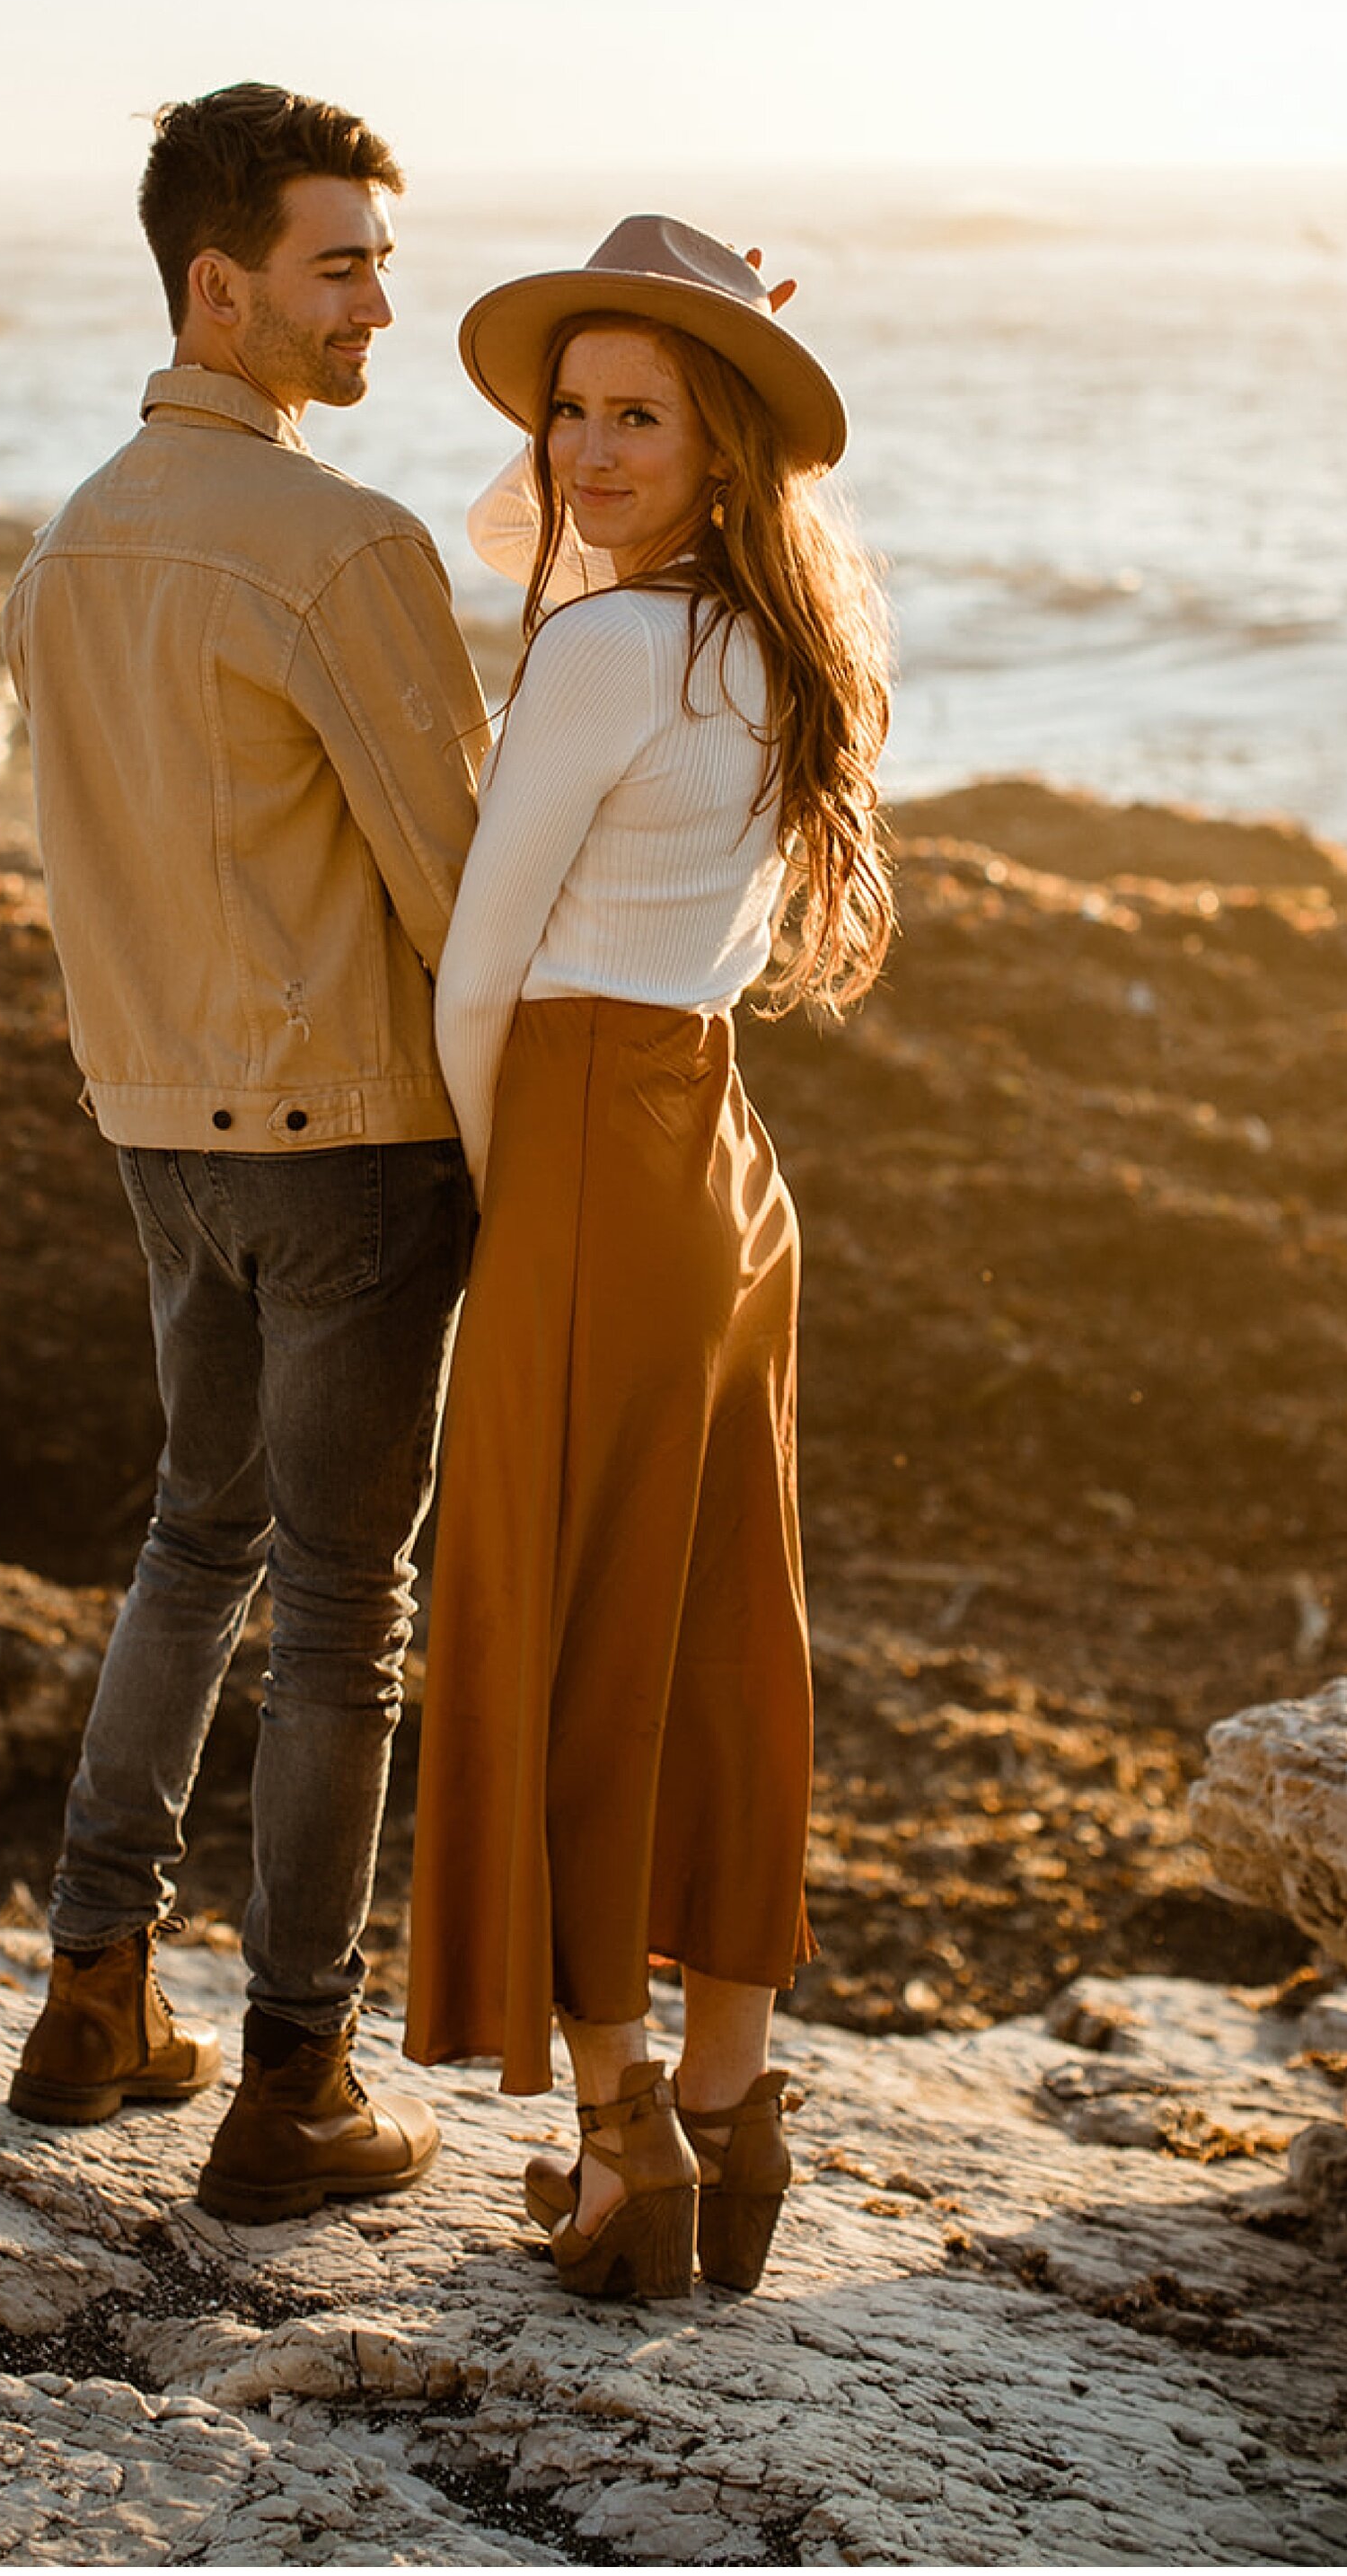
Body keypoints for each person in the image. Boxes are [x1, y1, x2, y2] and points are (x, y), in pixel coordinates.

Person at [0, 83, 489, 2222]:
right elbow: (460, 886)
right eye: (343, 261)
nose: (384, 297)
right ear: (220, 284)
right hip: (351, 1147)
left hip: (151, 1126)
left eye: (381, 253)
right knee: (337, 1610)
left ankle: (90, 1990)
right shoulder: (341, 545)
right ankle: (294, 2082)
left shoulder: (69, 541)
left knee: (193, 1540)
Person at [404, 215, 894, 2301]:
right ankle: (728, 2103)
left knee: (562, 1625)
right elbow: (548, 514)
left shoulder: (603, 652)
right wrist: (713, 379)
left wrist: (507, 1210)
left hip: (595, 1155)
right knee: (710, 1625)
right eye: (569, 412)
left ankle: (619, 2155)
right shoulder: (774, 642)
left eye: (635, 418)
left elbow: (472, 982)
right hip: (722, 1162)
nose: (583, 454)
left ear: (717, 454)